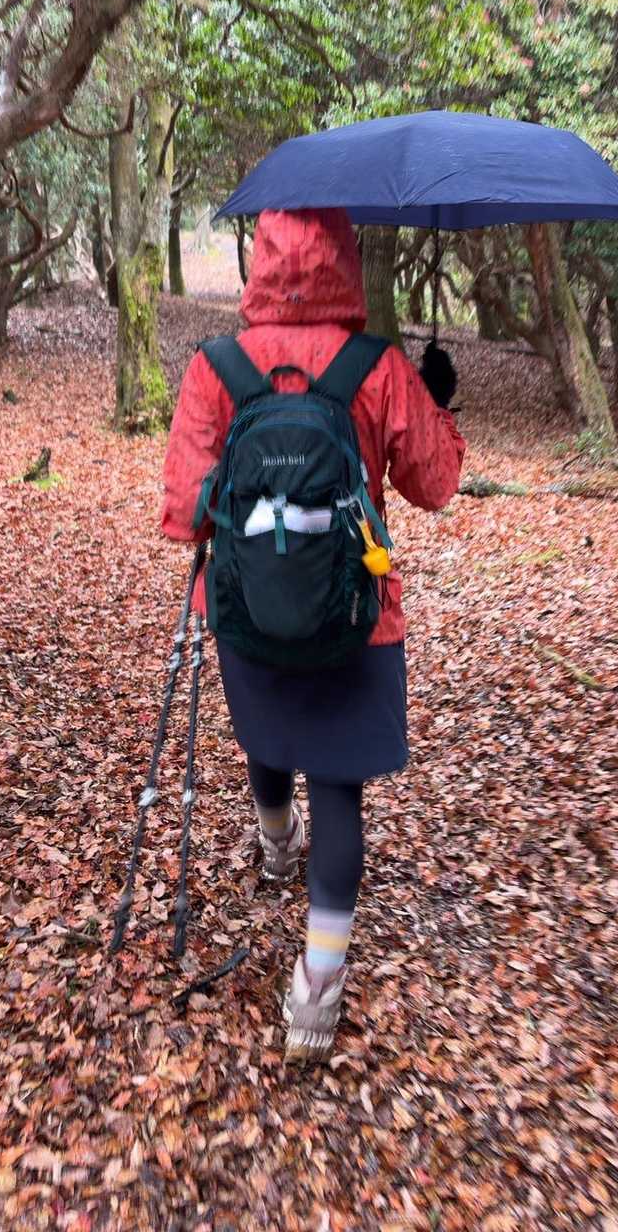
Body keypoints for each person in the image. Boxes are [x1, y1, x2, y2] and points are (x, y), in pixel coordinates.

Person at [161, 207, 464, 1061]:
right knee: (339, 791)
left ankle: (273, 842)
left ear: (260, 260)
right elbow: (436, 483)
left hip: (243, 607)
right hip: (356, 613)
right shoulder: (377, 366)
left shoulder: (216, 366)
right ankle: (317, 992)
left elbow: (184, 514)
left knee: (269, 733)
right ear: (345, 258)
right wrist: (437, 404)